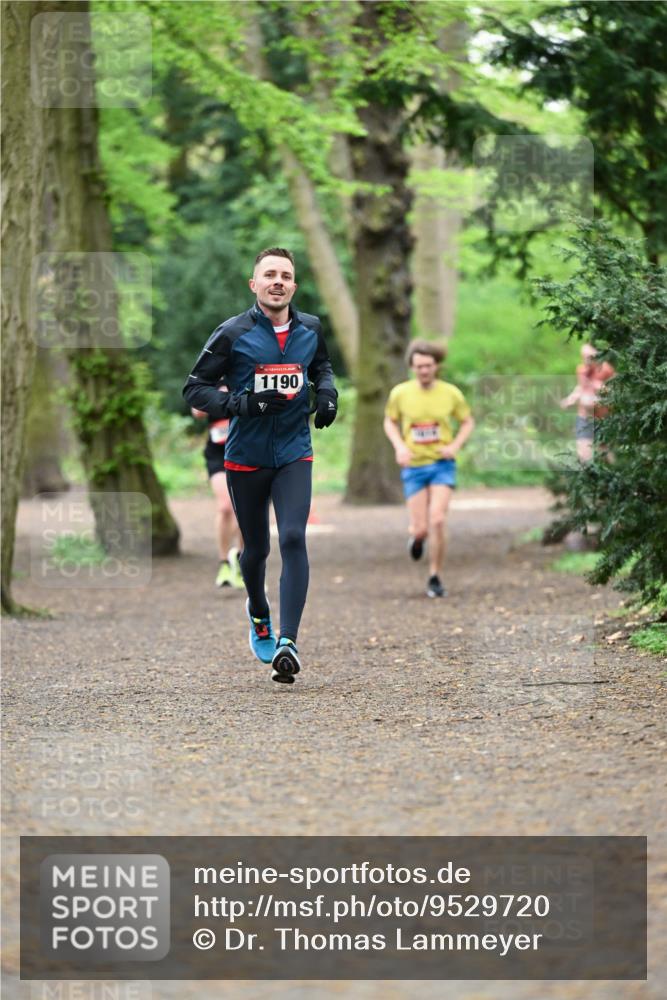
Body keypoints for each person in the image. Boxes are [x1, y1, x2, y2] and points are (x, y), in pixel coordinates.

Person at [183, 248, 337, 684]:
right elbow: (194, 389)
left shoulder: (310, 328)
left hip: (294, 452)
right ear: (254, 284)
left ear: (294, 285)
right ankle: (258, 612)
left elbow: (321, 366)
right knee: (256, 552)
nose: (278, 281)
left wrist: (327, 394)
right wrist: (240, 404)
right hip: (245, 457)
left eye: (285, 275)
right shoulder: (232, 333)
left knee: (292, 535)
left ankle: (287, 642)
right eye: (269, 274)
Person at [383, 339, 474, 598]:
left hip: (441, 464)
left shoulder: (451, 393)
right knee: (421, 527)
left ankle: (435, 575)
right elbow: (389, 422)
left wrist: (454, 445)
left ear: (436, 366)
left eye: (429, 366)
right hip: (413, 464)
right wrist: (400, 446)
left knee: (438, 519)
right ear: (411, 367)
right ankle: (417, 538)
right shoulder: (400, 393)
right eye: (419, 366)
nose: (424, 371)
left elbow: (467, 422)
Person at [191, 385, 244, 590]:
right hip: (218, 453)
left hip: (247, 450)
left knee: (247, 509)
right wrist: (217, 396)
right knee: (225, 507)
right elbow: (197, 412)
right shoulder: (212, 374)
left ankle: (241, 560)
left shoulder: (250, 369)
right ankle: (224, 563)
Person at [560, 343, 615, 462]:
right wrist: (570, 399)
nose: (586, 359)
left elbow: (615, 390)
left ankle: (613, 476)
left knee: (606, 454)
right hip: (585, 416)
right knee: (583, 454)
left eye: (589, 356)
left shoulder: (606, 369)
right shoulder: (582, 370)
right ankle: (587, 475)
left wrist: (599, 386)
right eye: (583, 356)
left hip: (603, 418)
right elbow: (581, 387)